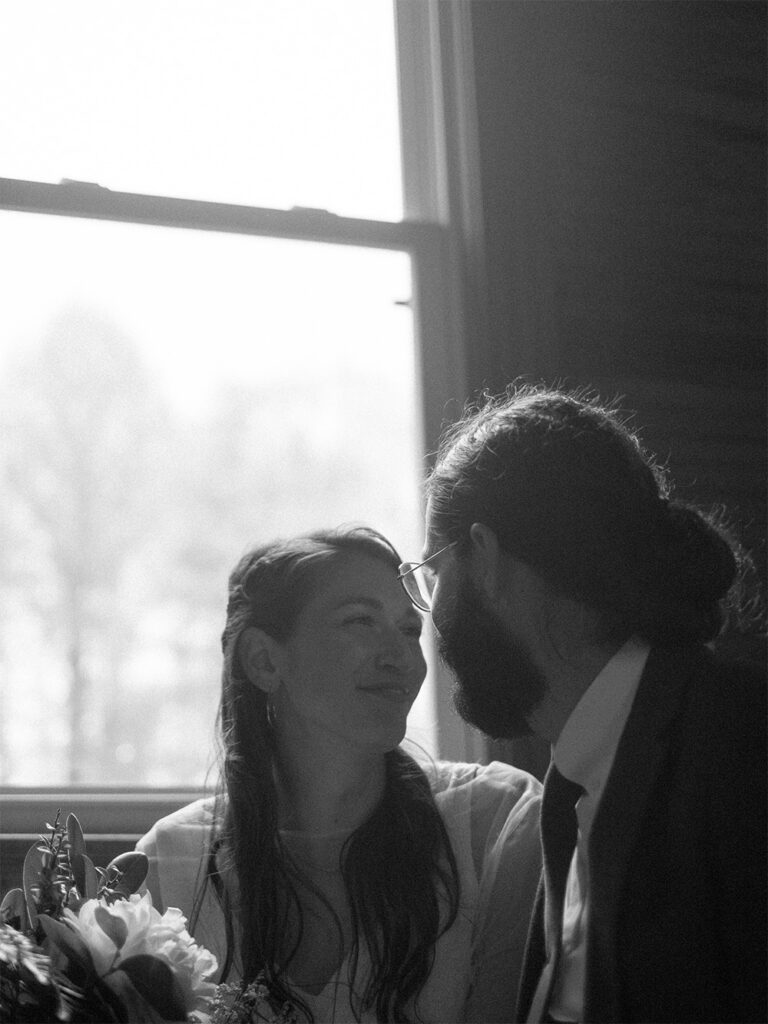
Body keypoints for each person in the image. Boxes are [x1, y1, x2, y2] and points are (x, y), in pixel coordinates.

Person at [398, 385, 767, 1024]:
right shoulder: (574, 781)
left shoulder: (738, 746)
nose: (432, 620)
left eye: (432, 575)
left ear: (482, 559)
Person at [137, 526, 542, 1023]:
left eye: (409, 630)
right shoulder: (169, 865)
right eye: (360, 621)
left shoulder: (496, 821)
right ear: (265, 661)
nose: (402, 659)